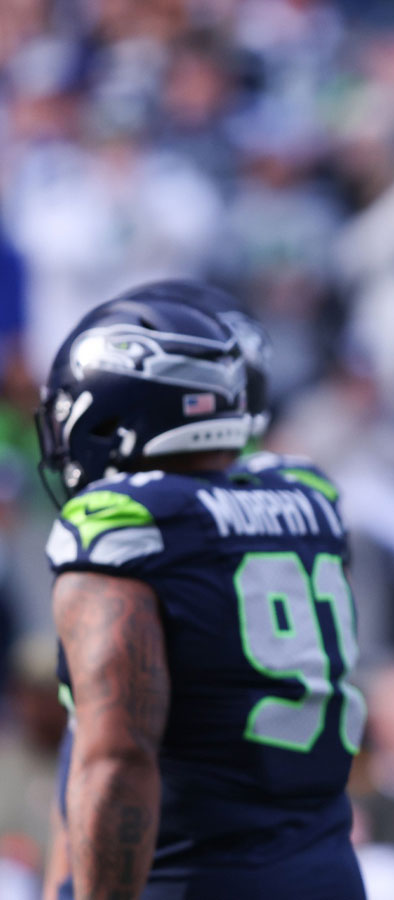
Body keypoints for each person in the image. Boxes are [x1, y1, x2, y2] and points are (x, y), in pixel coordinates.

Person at [37, 281, 364, 899]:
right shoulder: (307, 498)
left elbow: (114, 763)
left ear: (109, 415)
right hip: (327, 874)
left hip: (189, 880)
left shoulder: (126, 525)